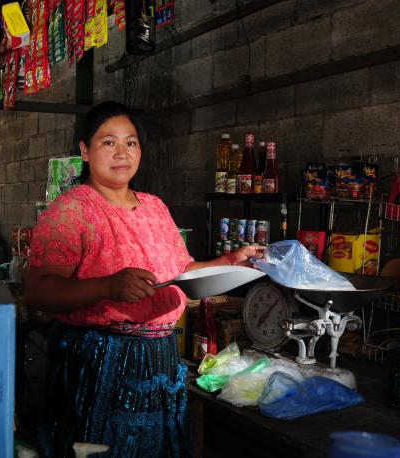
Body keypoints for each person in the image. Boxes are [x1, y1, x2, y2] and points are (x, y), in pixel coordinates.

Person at [26, 102, 264, 458]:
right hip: (100, 361)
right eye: (109, 143)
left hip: (161, 359)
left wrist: (229, 261)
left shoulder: (155, 206)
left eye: (131, 143)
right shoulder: (71, 211)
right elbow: (38, 291)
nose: (122, 153)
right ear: (84, 150)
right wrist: (107, 286)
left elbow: (181, 273)